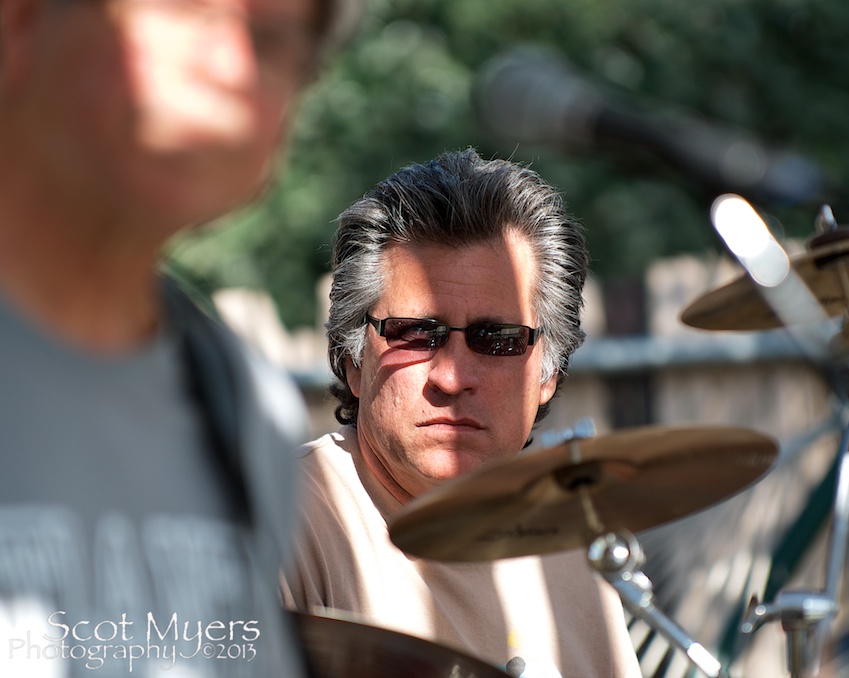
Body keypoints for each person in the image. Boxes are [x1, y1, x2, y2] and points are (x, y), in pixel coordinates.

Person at [0, 0, 360, 675]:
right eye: (186, 8)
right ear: (20, 23)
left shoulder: (244, 406)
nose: (231, 66)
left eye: (271, 40)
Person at [281, 148, 643, 677]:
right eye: (415, 333)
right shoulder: (279, 520)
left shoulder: (571, 541)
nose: (452, 378)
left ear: (548, 374)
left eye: (497, 339)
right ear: (353, 361)